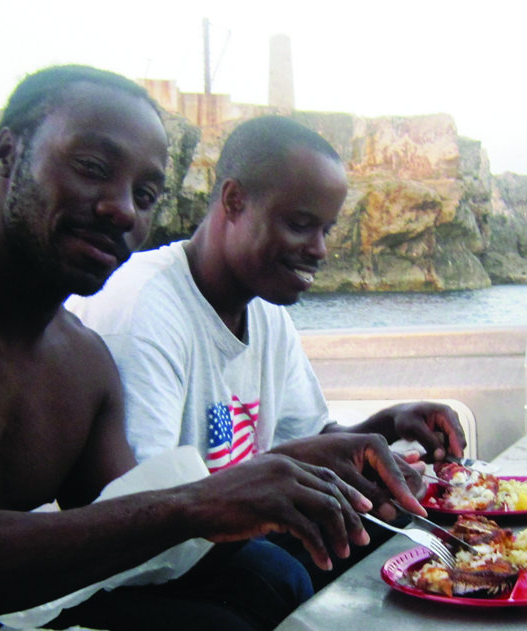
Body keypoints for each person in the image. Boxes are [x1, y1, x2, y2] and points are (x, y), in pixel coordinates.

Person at [0, 66, 424, 631]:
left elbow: (130, 539)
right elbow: (160, 513)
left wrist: (320, 458)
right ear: (7, 153)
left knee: (291, 574)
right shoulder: (134, 316)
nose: (123, 211)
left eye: (145, 195)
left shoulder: (83, 364)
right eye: (92, 168)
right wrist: (195, 502)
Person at [66, 115, 468, 584]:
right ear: (235, 201)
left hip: (218, 538)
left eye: (327, 231)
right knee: (275, 578)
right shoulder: (143, 309)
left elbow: (310, 438)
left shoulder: (264, 309)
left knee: (397, 524)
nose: (319, 250)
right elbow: (138, 513)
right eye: (300, 225)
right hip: (140, 562)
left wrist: (389, 423)